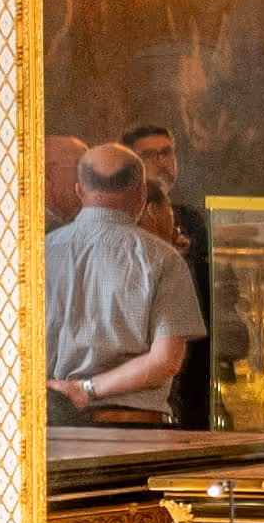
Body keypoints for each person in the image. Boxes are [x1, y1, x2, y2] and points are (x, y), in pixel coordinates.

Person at [47, 144, 203, 422]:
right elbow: (165, 361)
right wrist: (85, 389)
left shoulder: (39, 254)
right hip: (136, 426)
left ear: (79, 192)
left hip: (51, 424)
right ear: (142, 195)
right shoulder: (163, 260)